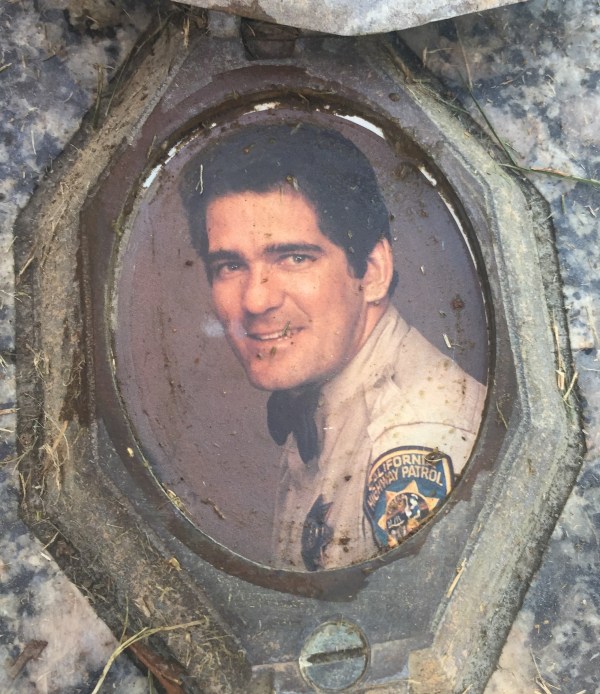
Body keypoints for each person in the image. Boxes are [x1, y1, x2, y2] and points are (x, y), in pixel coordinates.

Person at [180, 123, 486, 571]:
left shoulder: (416, 442)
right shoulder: (325, 393)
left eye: (295, 258)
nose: (256, 300)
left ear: (372, 271)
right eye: (230, 266)